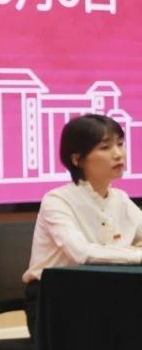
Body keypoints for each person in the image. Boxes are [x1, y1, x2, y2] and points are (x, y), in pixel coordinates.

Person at [22, 113, 142, 331]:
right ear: (77, 159)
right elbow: (82, 253)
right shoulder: (57, 200)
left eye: (120, 144)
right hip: (56, 299)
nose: (118, 154)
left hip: (107, 293)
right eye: (105, 147)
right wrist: (135, 254)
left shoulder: (121, 199)